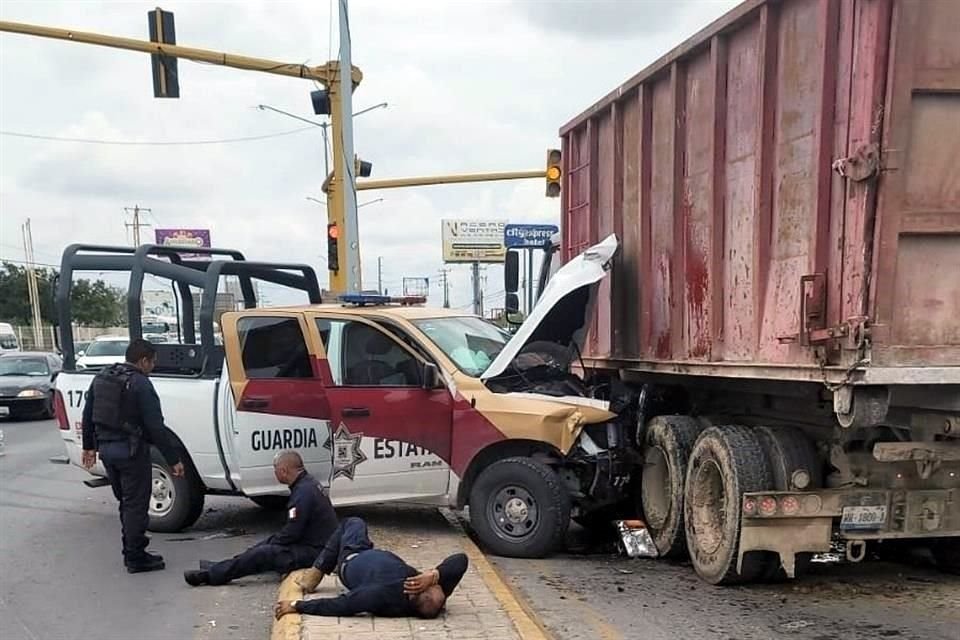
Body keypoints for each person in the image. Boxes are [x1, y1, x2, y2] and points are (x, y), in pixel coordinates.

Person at [81, 338, 185, 574]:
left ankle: (131, 550)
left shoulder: (103, 377)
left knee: (126, 504)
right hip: (131, 452)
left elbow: (88, 413)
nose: (153, 367)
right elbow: (156, 426)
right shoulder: (140, 383)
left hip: (107, 451)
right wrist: (173, 459)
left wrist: (89, 447)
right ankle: (136, 557)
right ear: (143, 360)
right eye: (152, 363)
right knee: (136, 505)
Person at [184, 451, 338, 586]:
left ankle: (211, 576)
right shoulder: (307, 484)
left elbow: (292, 533)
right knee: (264, 546)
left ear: (284, 471)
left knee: (264, 553)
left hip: (316, 553)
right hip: (315, 545)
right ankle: (222, 567)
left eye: (275, 469)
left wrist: (267, 545)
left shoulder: (303, 493)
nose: (274, 473)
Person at [274, 517, 468, 620]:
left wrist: (297, 606)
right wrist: (434, 575)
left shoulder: (380, 595)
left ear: (416, 589)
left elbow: (342, 605)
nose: (439, 584)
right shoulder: (433, 595)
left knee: (353, 523)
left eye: (433, 584)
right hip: (371, 553)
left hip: (351, 557)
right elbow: (461, 560)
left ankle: (317, 571)